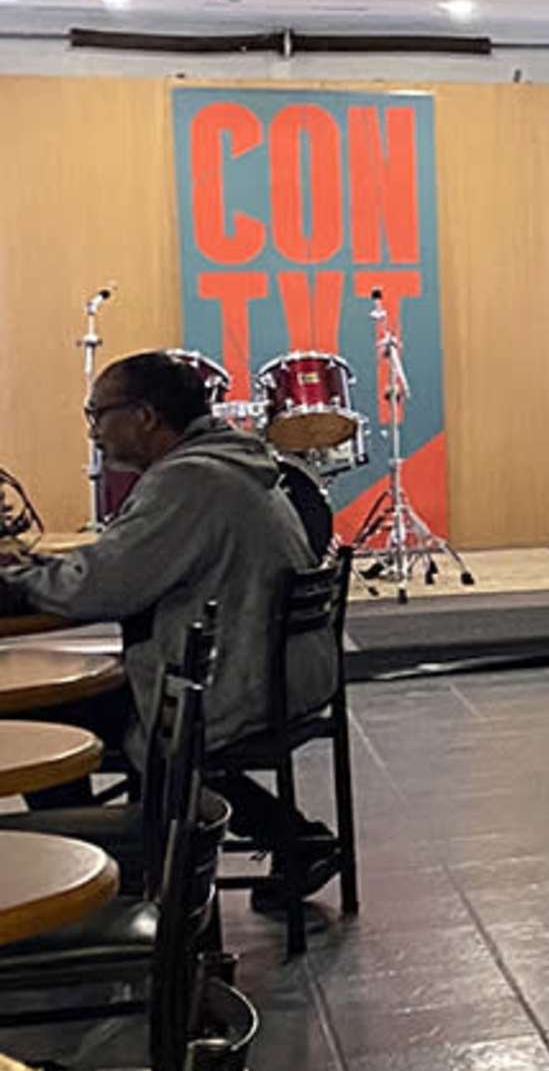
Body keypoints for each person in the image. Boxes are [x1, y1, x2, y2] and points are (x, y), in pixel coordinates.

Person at [2, 349, 345, 900]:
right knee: (142, 703)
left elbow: (106, 585)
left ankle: (99, 867)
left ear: (144, 416)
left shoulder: (186, 482)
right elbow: (127, 562)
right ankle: (292, 837)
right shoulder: (235, 463)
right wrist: (44, 571)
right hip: (283, 670)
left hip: (236, 681)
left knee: (43, 712)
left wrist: (17, 586)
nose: (94, 431)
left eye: (98, 414)